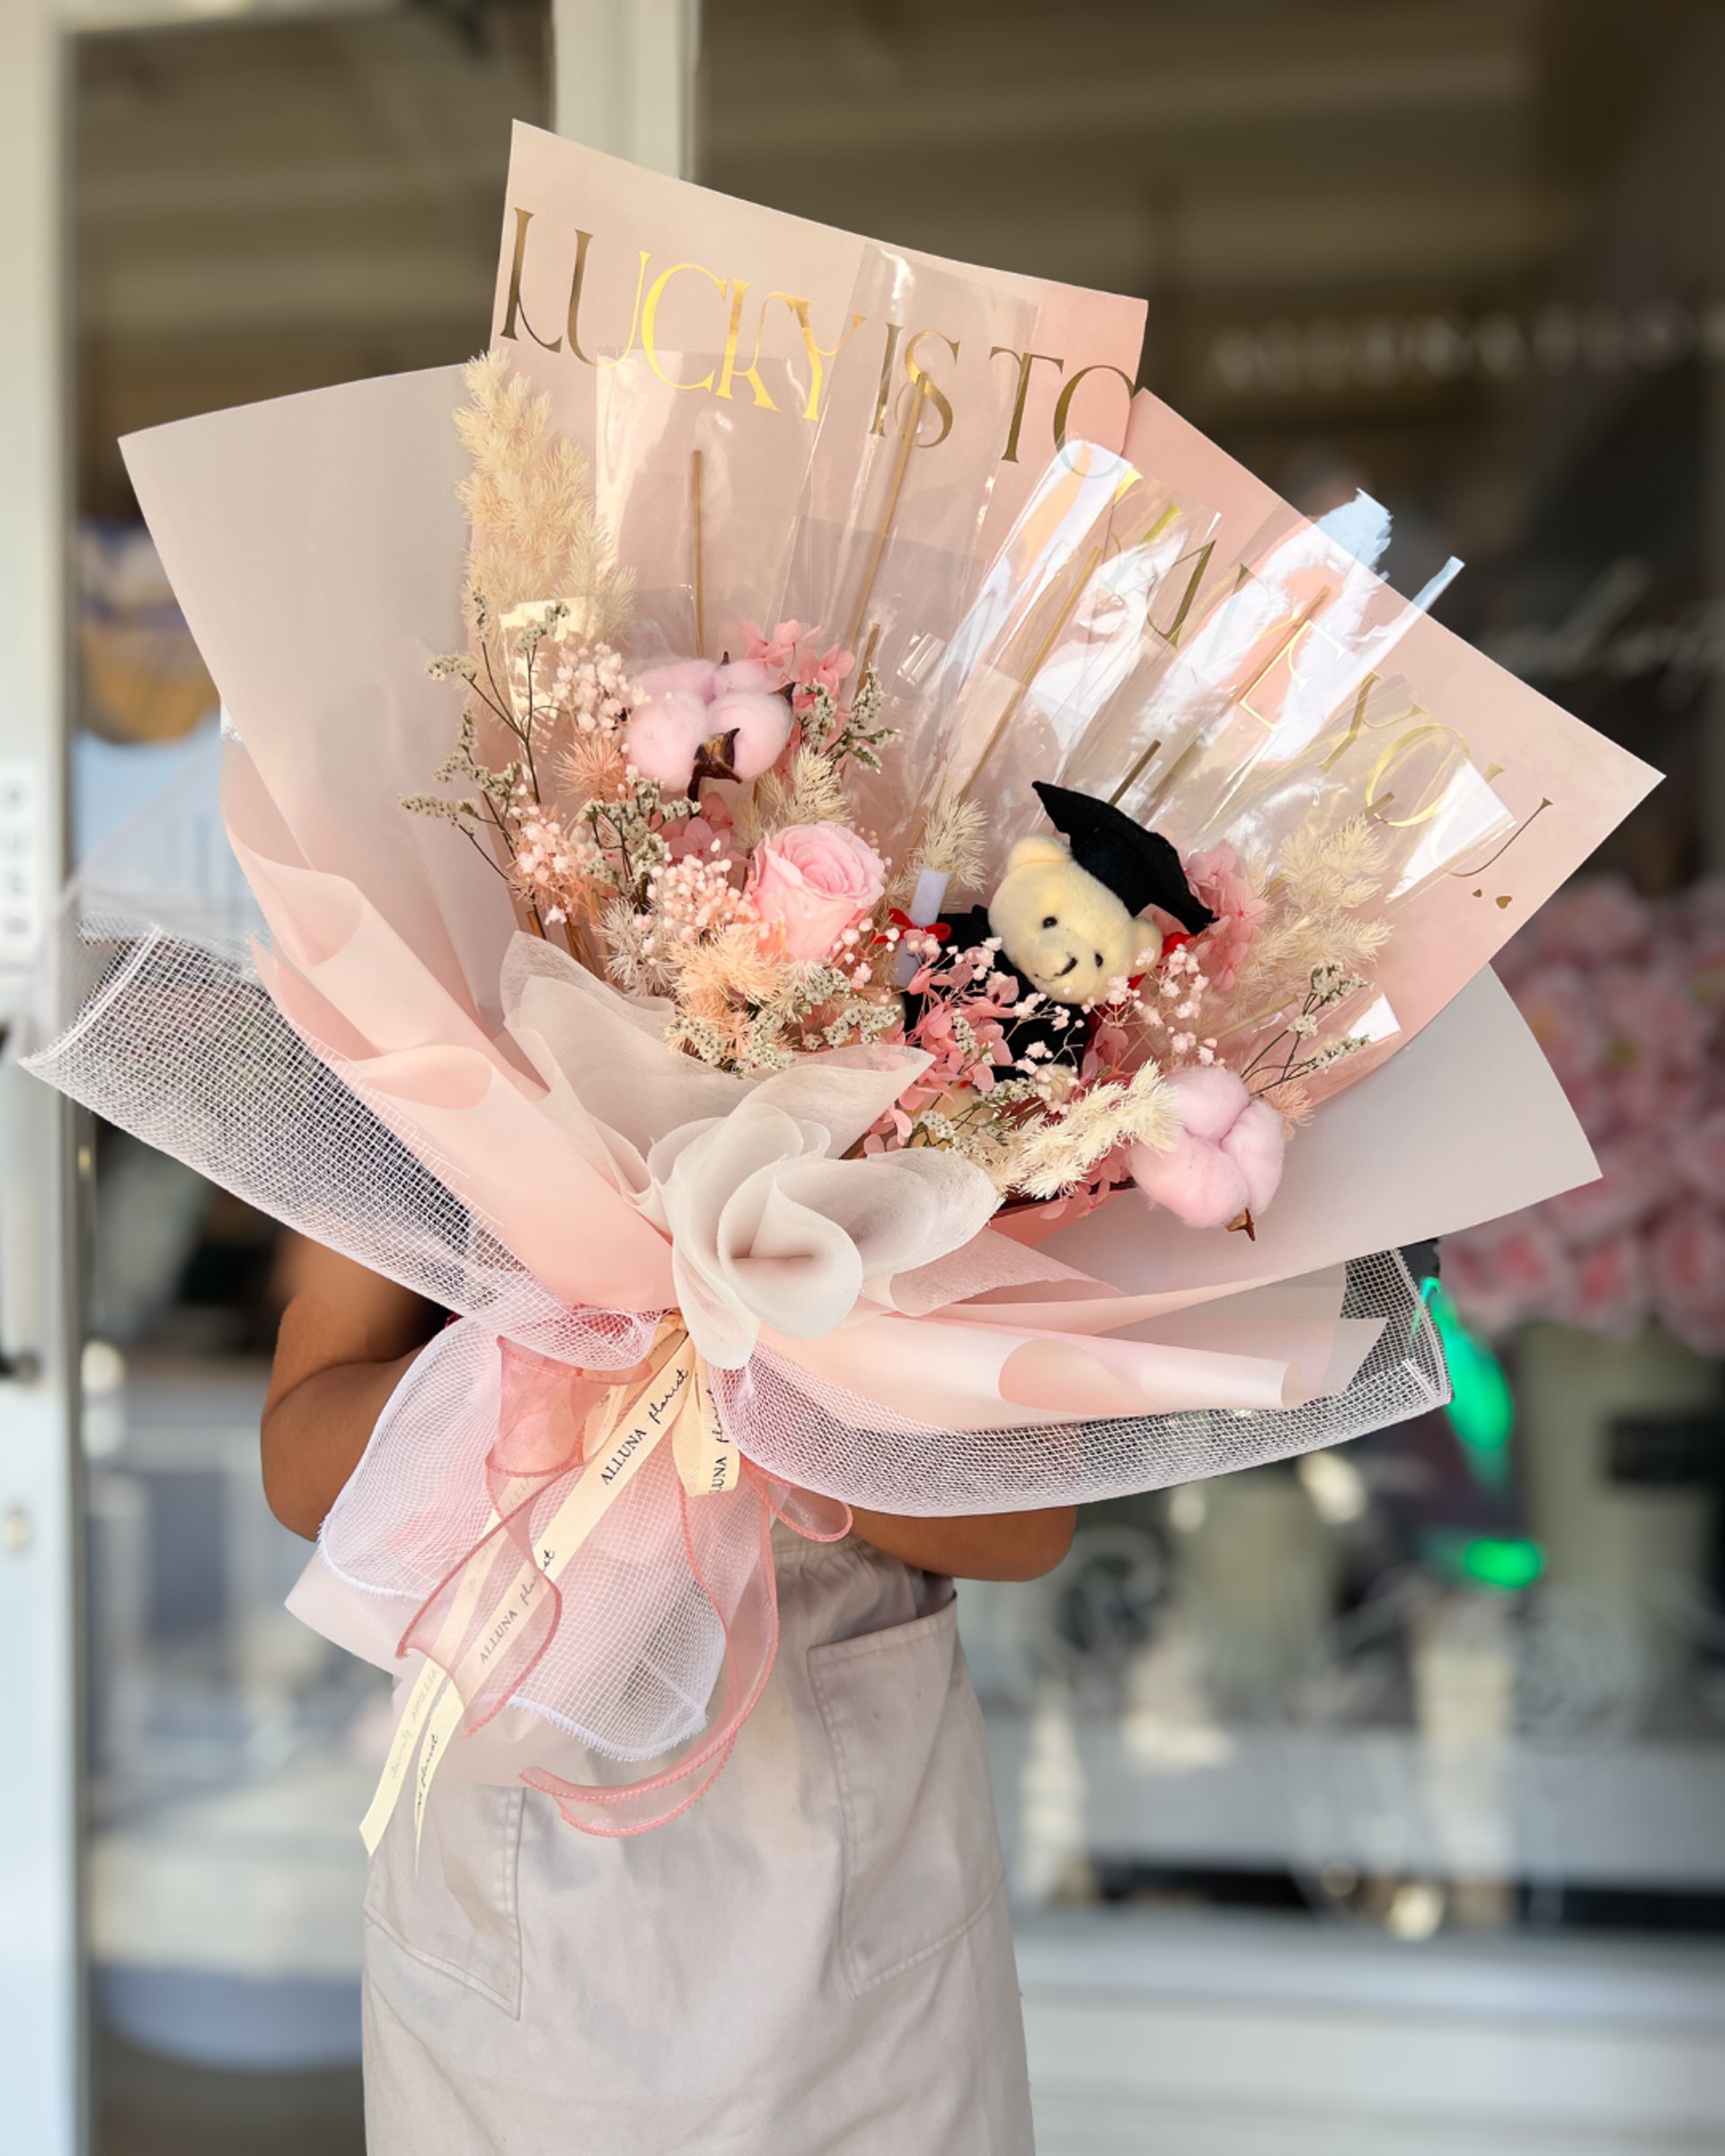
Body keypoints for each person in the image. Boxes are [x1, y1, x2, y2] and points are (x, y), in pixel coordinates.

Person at [264, 1241, 1075, 2155]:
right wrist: (533, 1373)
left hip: (863, 1891)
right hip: (522, 1915)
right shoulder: (421, 1109)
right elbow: (299, 1471)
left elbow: (1033, 1523)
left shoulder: (950, 1114)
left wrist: (740, 1400)